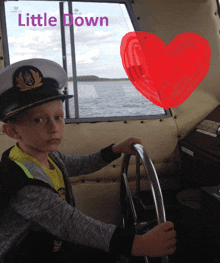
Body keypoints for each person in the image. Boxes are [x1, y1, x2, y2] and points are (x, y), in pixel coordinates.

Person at [0, 58, 176, 263]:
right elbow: (69, 223)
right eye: (38, 120)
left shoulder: (46, 156)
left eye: (58, 117)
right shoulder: (24, 182)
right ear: (12, 131)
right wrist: (137, 244)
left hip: (46, 242)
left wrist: (114, 150)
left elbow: (79, 164)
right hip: (23, 254)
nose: (54, 128)